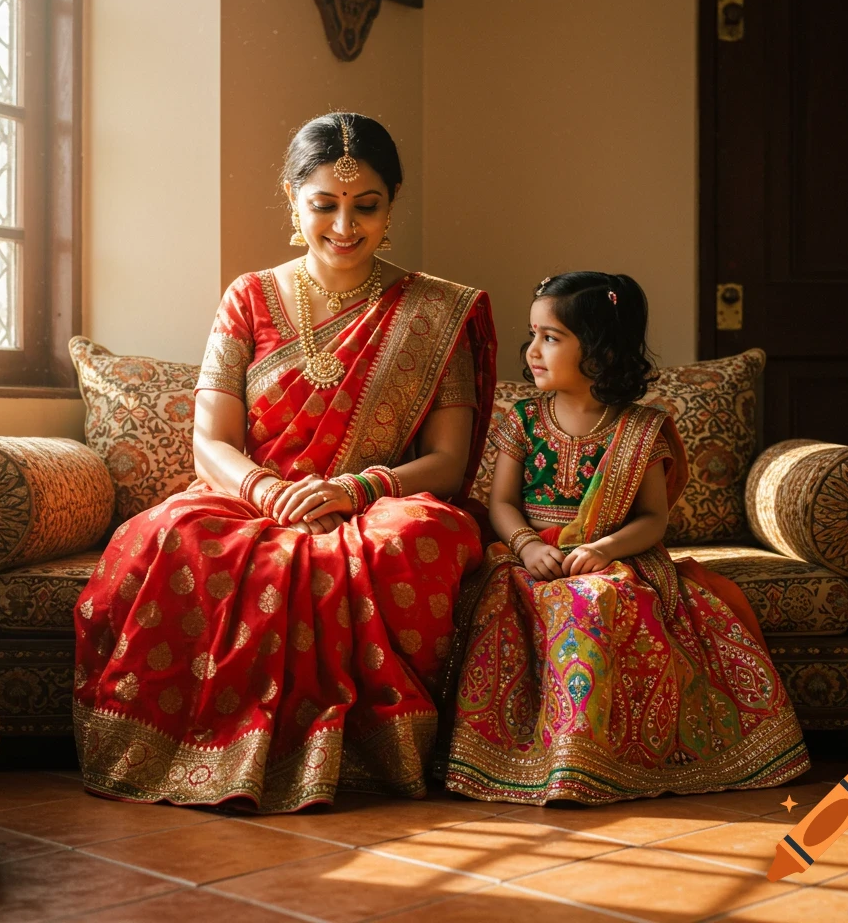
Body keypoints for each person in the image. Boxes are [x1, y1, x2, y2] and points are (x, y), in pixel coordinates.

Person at [73, 113, 496, 812]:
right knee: (170, 534)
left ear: (392, 204)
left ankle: (368, 759)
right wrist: (268, 490)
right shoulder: (249, 297)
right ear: (292, 201)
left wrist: (357, 488)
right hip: (252, 495)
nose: (344, 226)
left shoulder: (436, 310)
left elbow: (448, 463)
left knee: (411, 538)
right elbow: (210, 443)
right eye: (323, 204)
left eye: (367, 206)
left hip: (374, 499)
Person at [442, 271, 809, 804]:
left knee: (598, 601)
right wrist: (528, 546)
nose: (533, 351)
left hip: (610, 557)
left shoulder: (640, 429)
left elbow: (652, 519)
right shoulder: (522, 419)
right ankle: (534, 758)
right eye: (532, 334)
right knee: (508, 604)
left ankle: (594, 760)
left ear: (599, 352)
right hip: (529, 555)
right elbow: (501, 502)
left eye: (551, 337)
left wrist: (602, 550)